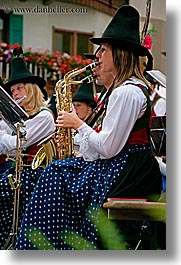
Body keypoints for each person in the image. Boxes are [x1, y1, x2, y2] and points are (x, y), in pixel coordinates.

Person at [15, 5, 162, 250]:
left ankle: (47, 248)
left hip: (127, 171)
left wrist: (78, 124)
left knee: (55, 174)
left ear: (119, 54)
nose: (98, 56)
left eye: (103, 50)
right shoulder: (123, 90)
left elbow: (108, 148)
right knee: (58, 170)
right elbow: (103, 148)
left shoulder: (126, 92)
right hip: (125, 166)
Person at [0, 47, 55, 249]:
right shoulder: (18, 118)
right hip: (14, 172)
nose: (15, 94)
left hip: (33, 176)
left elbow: (16, 145)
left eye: (19, 89)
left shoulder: (44, 117)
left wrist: (6, 135)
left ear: (31, 90)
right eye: (12, 91)